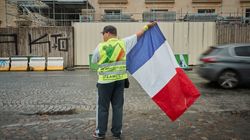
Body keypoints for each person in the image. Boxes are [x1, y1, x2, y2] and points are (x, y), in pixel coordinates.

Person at [91, 22, 157, 139]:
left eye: (103, 34)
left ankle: (100, 132)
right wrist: (148, 26)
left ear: (108, 33)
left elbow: (94, 61)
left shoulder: (100, 46)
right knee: (117, 107)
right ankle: (117, 132)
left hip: (105, 83)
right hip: (119, 81)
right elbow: (138, 34)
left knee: (102, 107)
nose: (103, 36)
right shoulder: (123, 43)